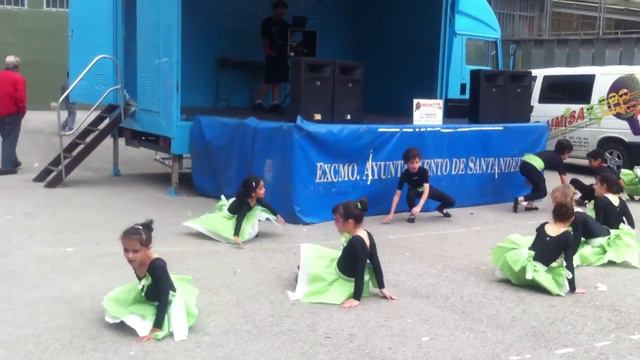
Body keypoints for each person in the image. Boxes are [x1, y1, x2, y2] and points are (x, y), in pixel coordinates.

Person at [288, 198, 397, 307]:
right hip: (340, 263)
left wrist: (356, 298)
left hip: (341, 277)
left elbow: (360, 269)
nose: (335, 223)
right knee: (306, 264)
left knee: (303, 278)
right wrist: (382, 288)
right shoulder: (366, 234)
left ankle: (305, 275)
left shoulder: (356, 242)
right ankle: (305, 271)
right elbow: (375, 261)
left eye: (337, 221)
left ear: (350, 222)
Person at [103, 220, 199, 341]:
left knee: (140, 322)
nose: (129, 255)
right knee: (115, 303)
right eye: (126, 250)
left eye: (135, 251)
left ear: (148, 248)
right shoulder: (135, 259)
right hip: (150, 290)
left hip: (164, 299)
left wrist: (156, 328)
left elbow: (164, 297)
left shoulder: (157, 266)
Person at [491, 202, 585, 295]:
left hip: (520, 262)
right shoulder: (568, 237)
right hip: (536, 272)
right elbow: (568, 262)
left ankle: (506, 272)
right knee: (557, 275)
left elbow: (537, 246)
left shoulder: (543, 226)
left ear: (553, 215)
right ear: (572, 218)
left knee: (521, 242)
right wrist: (573, 288)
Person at [183, 176, 285, 248]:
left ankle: (253, 230)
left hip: (244, 211)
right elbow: (239, 219)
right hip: (230, 216)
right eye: (261, 188)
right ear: (253, 193)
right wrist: (236, 236)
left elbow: (266, 205)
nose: (264, 190)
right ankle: (239, 234)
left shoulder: (255, 199)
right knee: (215, 224)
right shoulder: (244, 205)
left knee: (260, 212)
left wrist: (277, 215)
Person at [550, 185, 639, 267]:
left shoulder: (576, 216)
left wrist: (567, 256)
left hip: (599, 240)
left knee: (578, 254)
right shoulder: (574, 212)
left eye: (554, 203)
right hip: (601, 233)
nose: (553, 206)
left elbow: (576, 239)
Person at [382, 147, 456, 224]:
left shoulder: (424, 171)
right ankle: (412, 214)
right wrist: (391, 214)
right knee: (410, 195)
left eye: (417, 162)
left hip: (426, 189)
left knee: (451, 202)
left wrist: (419, 207)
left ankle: (441, 208)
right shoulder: (404, 175)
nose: (414, 165)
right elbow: (397, 195)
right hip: (414, 191)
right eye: (411, 163)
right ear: (406, 163)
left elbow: (426, 190)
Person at [513, 139, 573, 212]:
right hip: (531, 168)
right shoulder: (559, 160)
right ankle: (520, 200)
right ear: (566, 152)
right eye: (569, 153)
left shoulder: (549, 153)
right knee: (542, 192)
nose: (569, 156)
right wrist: (569, 194)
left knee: (539, 183)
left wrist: (528, 176)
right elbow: (564, 181)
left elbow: (532, 162)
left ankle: (530, 204)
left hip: (524, 165)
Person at [254, 1, 290, 113]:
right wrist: (268, 51)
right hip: (271, 54)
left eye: (283, 9)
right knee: (269, 79)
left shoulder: (285, 24)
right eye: (279, 9)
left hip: (282, 54)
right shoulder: (266, 23)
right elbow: (264, 39)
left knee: (278, 79)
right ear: (274, 10)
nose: (281, 12)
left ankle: (275, 102)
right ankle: (258, 101)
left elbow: (289, 39)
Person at [0, 55, 27, 175]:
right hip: (12, 113)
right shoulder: (18, 78)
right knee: (10, 139)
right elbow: (20, 98)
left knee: (7, 138)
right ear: (17, 66)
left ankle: (13, 161)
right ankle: (7, 168)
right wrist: (22, 111)